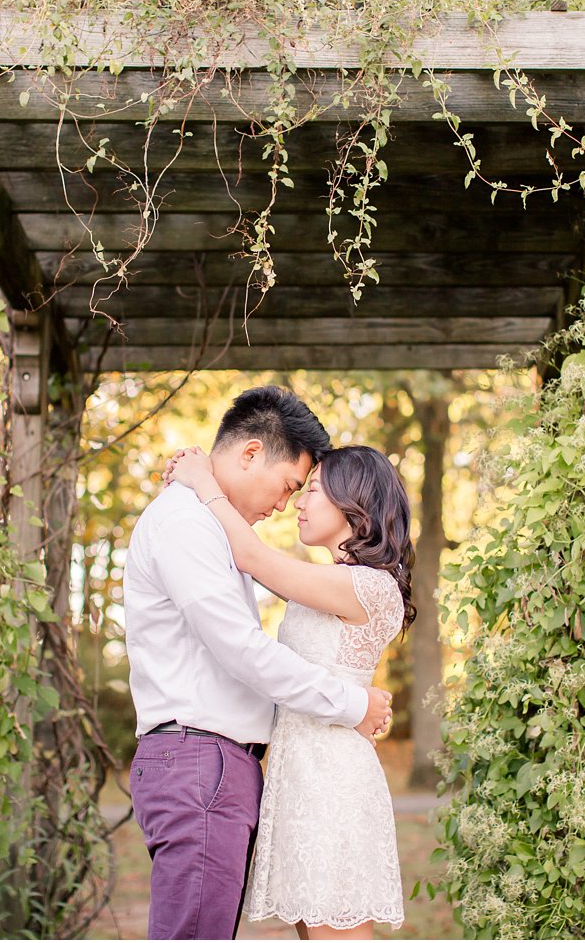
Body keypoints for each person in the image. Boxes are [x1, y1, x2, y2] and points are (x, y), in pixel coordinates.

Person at [123, 386, 394, 940]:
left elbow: (254, 565)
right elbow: (244, 648)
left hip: (284, 770)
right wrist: (353, 703)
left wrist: (203, 484)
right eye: (293, 485)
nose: (288, 503)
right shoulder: (188, 523)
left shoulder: (223, 533)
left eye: (307, 491)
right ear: (251, 454)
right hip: (205, 760)